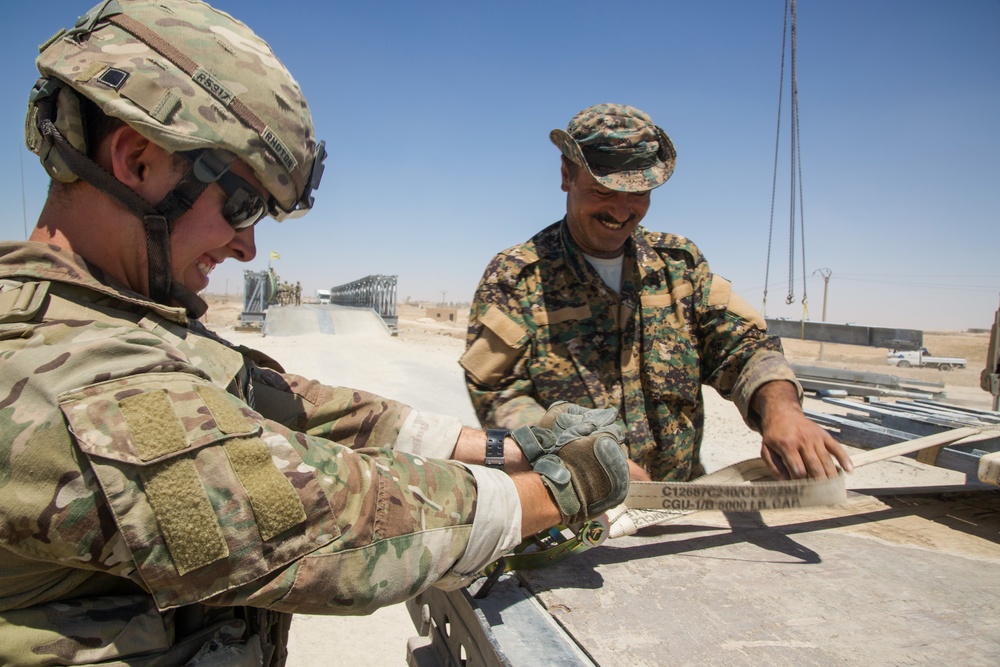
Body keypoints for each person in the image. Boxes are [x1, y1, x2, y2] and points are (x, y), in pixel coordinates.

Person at [0, 4, 629, 665]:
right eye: (242, 206)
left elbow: (293, 404)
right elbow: (328, 520)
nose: (246, 246)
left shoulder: (104, 318)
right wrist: (556, 491)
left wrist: (505, 445)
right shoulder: (63, 378)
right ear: (136, 159)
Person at [462, 103, 854, 483]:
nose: (621, 210)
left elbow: (742, 347)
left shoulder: (679, 266)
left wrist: (781, 409)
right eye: (603, 190)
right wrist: (575, 456)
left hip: (674, 512)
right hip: (569, 514)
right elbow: (497, 394)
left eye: (638, 193)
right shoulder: (516, 278)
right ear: (567, 175)